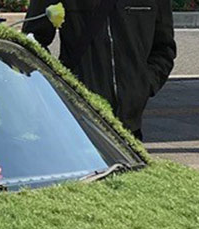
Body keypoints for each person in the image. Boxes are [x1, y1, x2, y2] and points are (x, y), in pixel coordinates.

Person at [23, 0, 176, 139]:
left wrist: (143, 87)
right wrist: (60, 86)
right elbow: (31, 42)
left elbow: (164, 48)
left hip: (129, 125)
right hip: (77, 119)